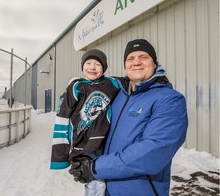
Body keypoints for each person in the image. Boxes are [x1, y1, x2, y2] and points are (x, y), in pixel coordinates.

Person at [69, 39, 188, 196]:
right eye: (130, 58)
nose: (136, 62)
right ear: (125, 65)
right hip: (105, 189)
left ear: (155, 63)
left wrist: (94, 167)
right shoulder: (116, 93)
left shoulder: (169, 99)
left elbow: (153, 152)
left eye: (143, 57)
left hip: (139, 190)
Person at [50, 49, 119, 196]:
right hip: (84, 146)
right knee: (96, 184)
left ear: (104, 68)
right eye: (88, 63)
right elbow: (62, 117)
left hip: (105, 143)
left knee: (108, 181)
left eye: (97, 64)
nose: (92, 67)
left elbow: (131, 83)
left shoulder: (112, 83)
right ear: (82, 66)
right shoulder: (76, 88)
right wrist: (59, 155)